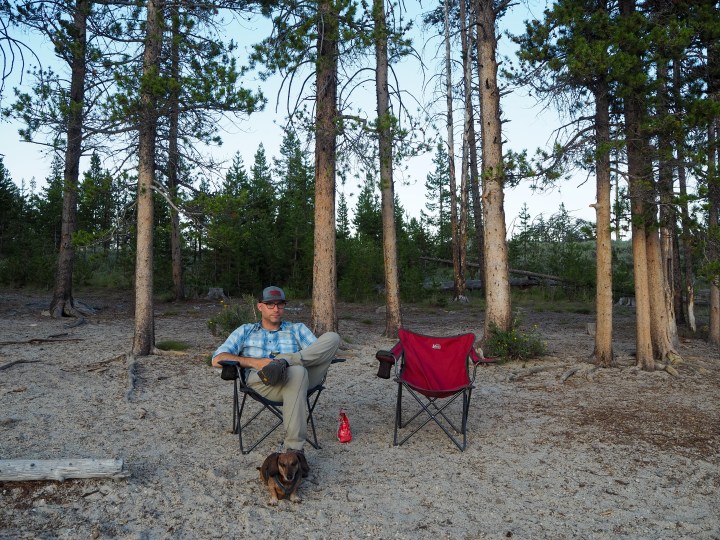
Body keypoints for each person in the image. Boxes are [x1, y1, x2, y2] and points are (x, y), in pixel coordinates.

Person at [212, 286, 341, 452]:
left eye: (280, 304)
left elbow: (317, 353)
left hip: (301, 379)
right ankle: (294, 450)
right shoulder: (246, 330)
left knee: (332, 337)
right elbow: (217, 359)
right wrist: (254, 362)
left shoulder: (297, 329)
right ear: (260, 306)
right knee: (298, 371)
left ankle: (285, 360)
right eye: (270, 304)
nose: (276, 309)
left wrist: (287, 361)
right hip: (263, 382)